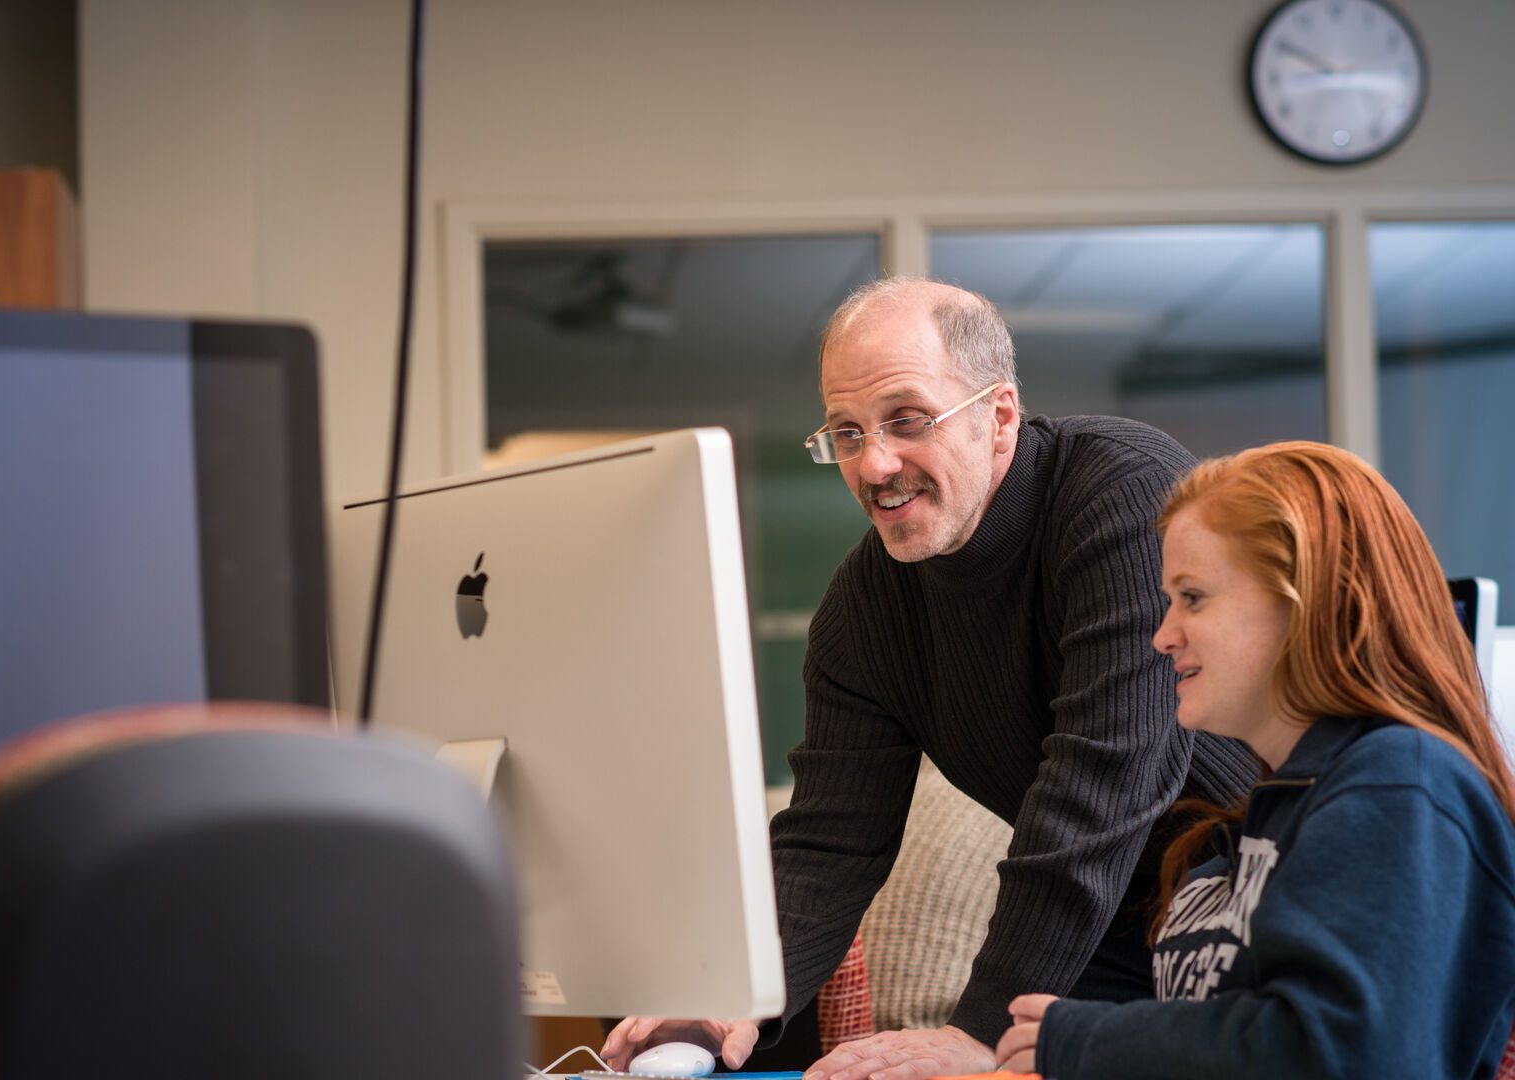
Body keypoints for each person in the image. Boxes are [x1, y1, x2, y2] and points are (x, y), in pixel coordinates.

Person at [604, 278, 1260, 1079]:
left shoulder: (1121, 493)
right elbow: (828, 839)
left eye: (907, 421)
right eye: (846, 433)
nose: (875, 464)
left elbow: (1103, 780)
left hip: (1264, 897)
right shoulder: (864, 605)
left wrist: (976, 1030)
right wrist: (730, 992)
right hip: (1112, 932)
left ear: (1001, 415)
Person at [993, 441, 1515, 1078]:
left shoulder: (1400, 786)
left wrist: (1086, 1040)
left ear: (1307, 599)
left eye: (1193, 597)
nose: (1163, 635)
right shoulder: (1272, 816)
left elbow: (1339, 1055)